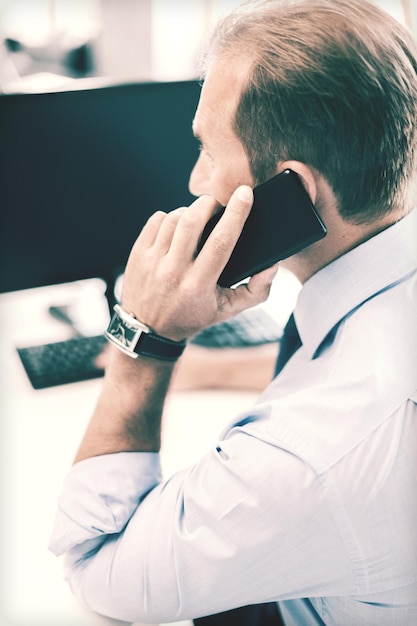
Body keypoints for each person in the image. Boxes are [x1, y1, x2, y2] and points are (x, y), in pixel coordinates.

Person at [49, 0, 417, 624]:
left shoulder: (310, 457)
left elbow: (94, 566)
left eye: (209, 152)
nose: (196, 182)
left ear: (291, 193)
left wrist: (146, 337)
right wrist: (212, 370)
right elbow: (342, 365)